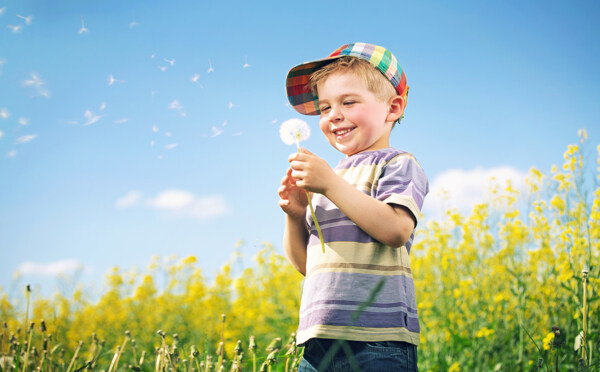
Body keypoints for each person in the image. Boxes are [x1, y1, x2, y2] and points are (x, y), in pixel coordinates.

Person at [278, 42, 429, 372]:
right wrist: (295, 215)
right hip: (317, 343)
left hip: (377, 341)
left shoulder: (397, 164)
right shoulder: (328, 178)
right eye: (324, 107)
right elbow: (307, 265)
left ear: (392, 108)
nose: (333, 115)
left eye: (348, 102)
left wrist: (330, 185)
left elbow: (395, 230)